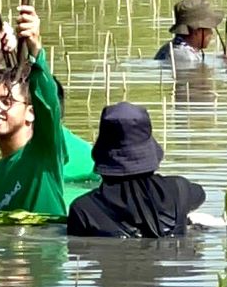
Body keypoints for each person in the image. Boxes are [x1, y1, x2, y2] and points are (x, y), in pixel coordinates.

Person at [0, 5, 100, 218]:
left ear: (31, 112)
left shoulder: (43, 153)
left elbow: (49, 106)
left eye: (6, 101)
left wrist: (35, 48)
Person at [67, 102, 206, 238]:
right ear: (150, 152)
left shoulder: (83, 209)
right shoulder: (180, 189)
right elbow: (199, 194)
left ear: (102, 154)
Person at [154, 0, 226, 64]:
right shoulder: (187, 58)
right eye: (208, 28)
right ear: (196, 31)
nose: (211, 33)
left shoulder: (168, 47)